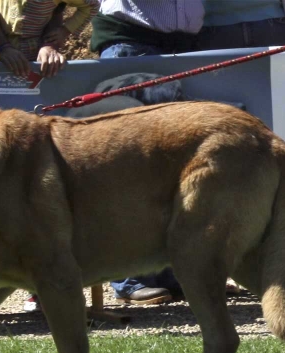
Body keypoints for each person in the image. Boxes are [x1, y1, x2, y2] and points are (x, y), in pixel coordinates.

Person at [0, 0, 99, 311]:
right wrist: (1, 46)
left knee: (41, 182)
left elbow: (89, 6)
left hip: (42, 73)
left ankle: (44, 288)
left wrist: (55, 38)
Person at [89, 0, 204, 305]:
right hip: (131, 45)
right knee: (129, 170)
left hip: (178, 47)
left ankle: (168, 273)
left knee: (172, 171)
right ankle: (128, 278)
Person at [0, 0, 99, 79]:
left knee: (33, 101)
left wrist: (65, 30)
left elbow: (91, 6)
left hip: (35, 58)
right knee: (0, 98)